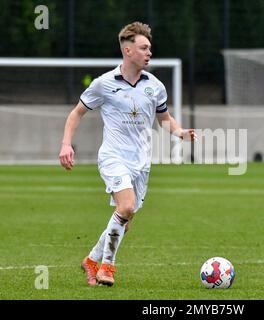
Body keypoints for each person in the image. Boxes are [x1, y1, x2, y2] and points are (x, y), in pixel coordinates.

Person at [59, 21, 196, 287]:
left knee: (126, 218)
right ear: (128, 50)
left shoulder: (155, 86)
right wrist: (66, 144)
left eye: (150, 48)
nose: (149, 53)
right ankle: (107, 268)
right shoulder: (104, 84)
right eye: (144, 48)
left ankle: (91, 260)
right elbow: (77, 112)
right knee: (126, 207)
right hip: (113, 157)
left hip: (141, 164)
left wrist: (179, 132)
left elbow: (165, 118)